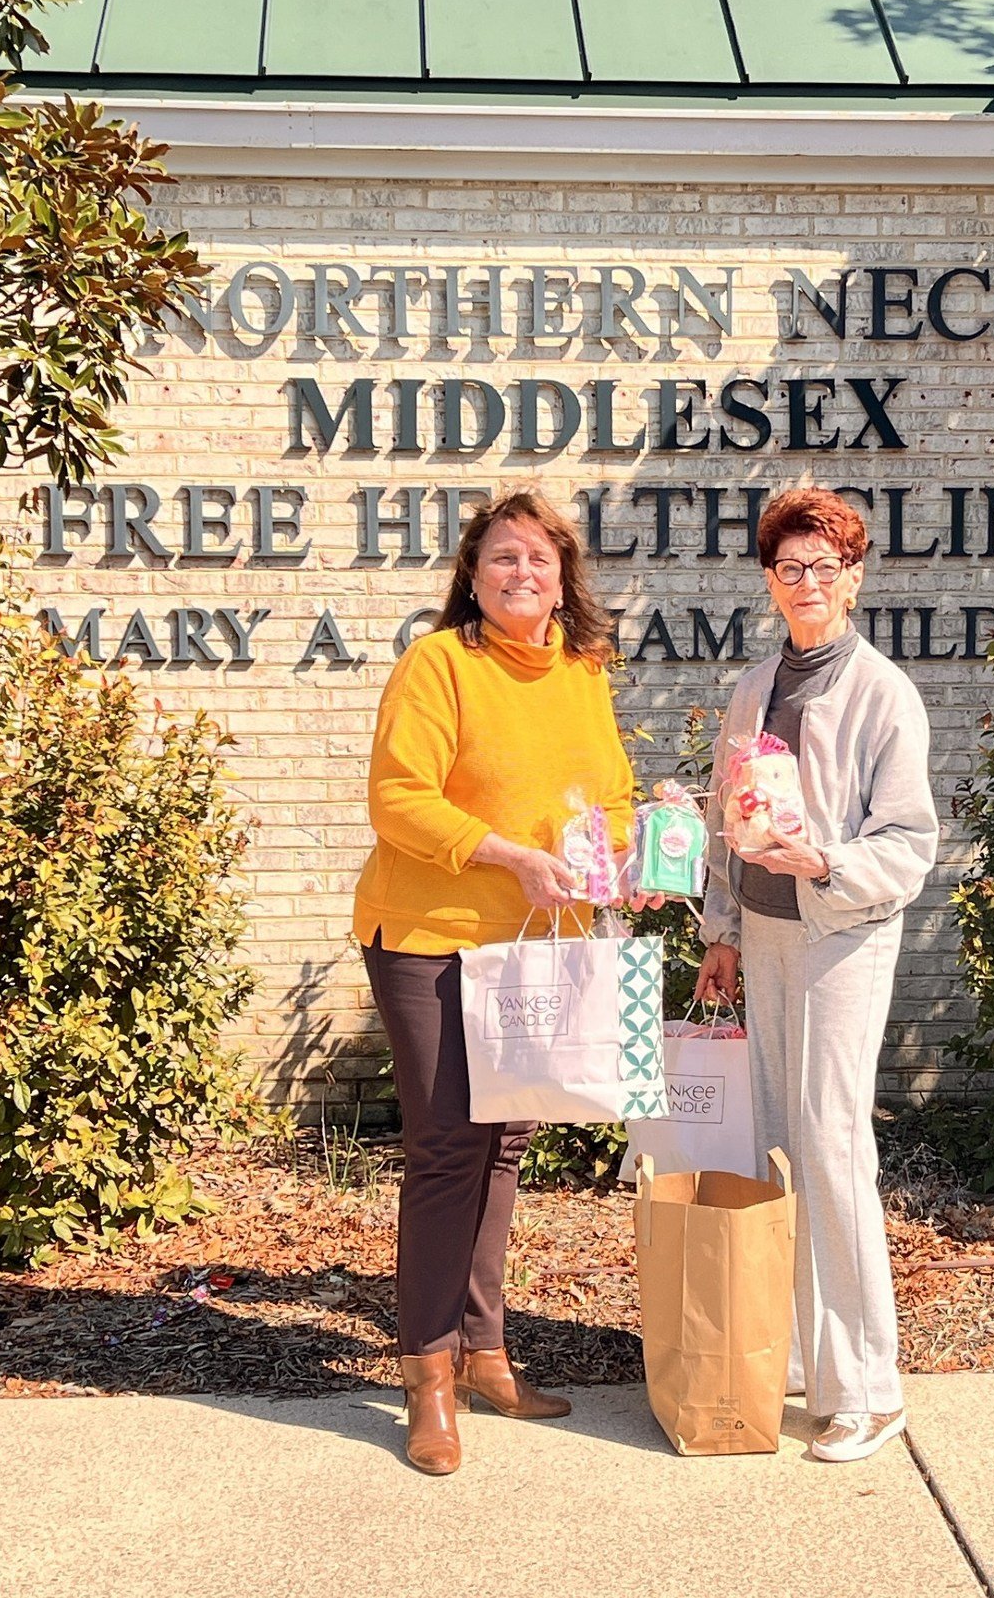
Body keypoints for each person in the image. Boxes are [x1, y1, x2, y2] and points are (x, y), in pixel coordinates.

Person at [353, 489, 634, 1477]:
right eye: (502, 558)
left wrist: (623, 861)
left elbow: (609, 796)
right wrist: (505, 853)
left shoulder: (581, 672)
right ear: (471, 576)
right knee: (445, 1147)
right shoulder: (438, 665)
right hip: (428, 934)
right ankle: (425, 1377)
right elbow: (397, 799)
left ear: (564, 580)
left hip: (536, 936)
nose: (522, 573)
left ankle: (482, 1353)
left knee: (504, 1144)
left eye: (539, 560)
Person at [695, 486, 939, 1464]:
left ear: (853, 576)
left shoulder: (884, 693)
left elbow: (910, 841)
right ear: (768, 579)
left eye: (822, 567)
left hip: (841, 939)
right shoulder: (752, 687)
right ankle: (799, 1352)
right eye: (788, 567)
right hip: (761, 937)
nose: (805, 583)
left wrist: (826, 863)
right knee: (778, 1148)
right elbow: (726, 822)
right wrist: (717, 927)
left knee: (833, 1150)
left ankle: (867, 1387)